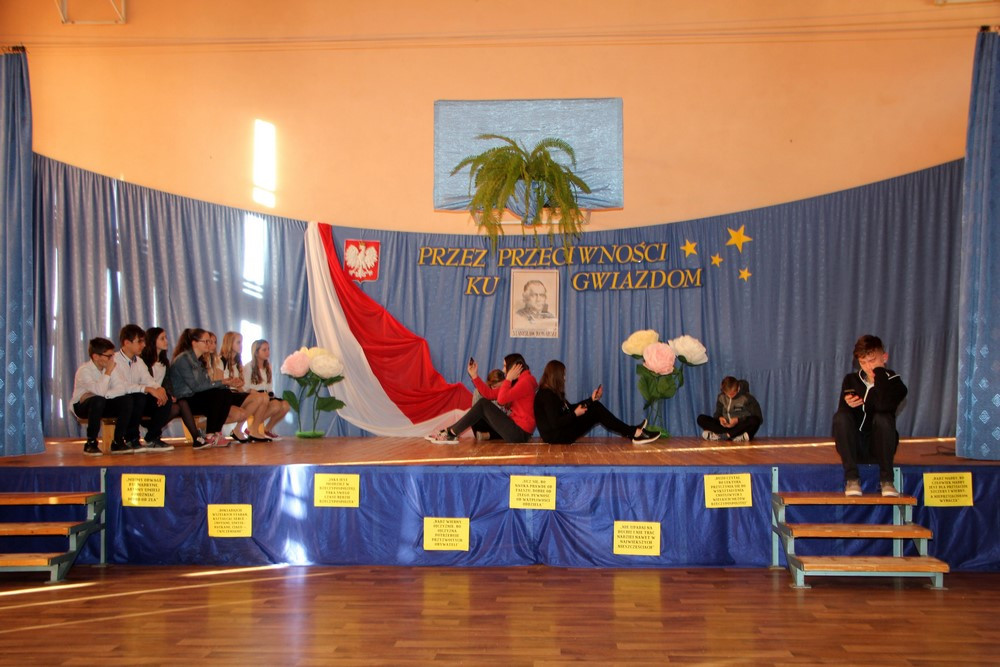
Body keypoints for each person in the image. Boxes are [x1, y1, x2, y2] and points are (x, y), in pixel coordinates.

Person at [833, 335, 908, 497]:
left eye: (872, 361)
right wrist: (849, 405)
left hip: (880, 446)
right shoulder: (851, 380)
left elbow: (883, 406)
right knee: (841, 416)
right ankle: (852, 479)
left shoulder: (896, 384)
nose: (868, 367)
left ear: (884, 358)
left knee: (883, 418)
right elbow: (842, 419)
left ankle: (887, 481)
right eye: (863, 362)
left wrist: (879, 373)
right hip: (855, 446)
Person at [534, 360, 659, 445]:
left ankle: (633, 431)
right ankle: (633, 432)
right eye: (563, 375)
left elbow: (569, 409)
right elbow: (555, 423)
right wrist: (575, 414)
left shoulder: (552, 393)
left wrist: (590, 400)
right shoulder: (546, 395)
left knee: (595, 406)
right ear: (556, 376)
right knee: (596, 410)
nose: (565, 378)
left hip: (560, 432)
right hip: (556, 437)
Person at [428, 354, 537, 444]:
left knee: (483, 404)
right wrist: (474, 376)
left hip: (520, 433)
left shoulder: (526, 381)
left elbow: (501, 400)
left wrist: (508, 379)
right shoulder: (518, 381)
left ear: (514, 367)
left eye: (505, 366)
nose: (503, 370)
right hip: (516, 429)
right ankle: (450, 432)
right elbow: (489, 394)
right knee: (479, 411)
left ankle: (451, 433)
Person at [167, 328, 238, 449]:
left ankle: (215, 432)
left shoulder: (199, 361)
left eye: (209, 341)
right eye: (206, 341)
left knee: (226, 392)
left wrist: (224, 383)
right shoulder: (183, 360)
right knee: (218, 394)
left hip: (194, 396)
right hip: (184, 398)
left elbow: (206, 383)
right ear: (194, 343)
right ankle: (209, 434)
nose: (209, 344)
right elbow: (195, 386)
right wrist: (221, 382)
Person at [107, 324, 173, 453]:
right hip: (117, 401)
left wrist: (159, 389)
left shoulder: (139, 361)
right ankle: (131, 439)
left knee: (165, 399)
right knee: (138, 397)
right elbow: (121, 386)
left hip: (135, 399)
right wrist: (147, 389)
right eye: (140, 342)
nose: (143, 345)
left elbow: (148, 379)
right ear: (127, 343)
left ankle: (152, 437)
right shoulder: (114, 360)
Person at [70, 337, 141, 456]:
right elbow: (99, 391)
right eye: (109, 356)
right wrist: (107, 373)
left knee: (126, 400)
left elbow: (121, 389)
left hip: (101, 401)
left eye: (113, 355)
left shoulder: (111, 367)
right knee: (98, 400)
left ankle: (118, 441)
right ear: (95, 356)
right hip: (81, 406)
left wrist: (103, 394)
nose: (112, 359)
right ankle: (91, 443)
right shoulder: (84, 371)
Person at [218, 331, 270, 442]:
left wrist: (239, 385)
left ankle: (252, 430)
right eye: (238, 342)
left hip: (235, 393)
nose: (241, 345)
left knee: (264, 397)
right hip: (225, 395)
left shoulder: (238, 363)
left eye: (241, 342)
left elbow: (240, 386)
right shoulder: (220, 360)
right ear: (229, 343)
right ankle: (217, 427)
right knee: (259, 398)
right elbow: (218, 382)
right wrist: (231, 383)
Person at [243, 339, 291, 439]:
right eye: (264, 350)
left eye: (268, 349)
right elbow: (245, 387)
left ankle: (267, 429)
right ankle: (252, 428)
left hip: (266, 395)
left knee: (285, 406)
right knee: (276, 406)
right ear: (256, 352)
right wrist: (257, 394)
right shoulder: (248, 367)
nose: (267, 352)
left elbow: (269, 386)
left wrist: (271, 394)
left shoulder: (268, 366)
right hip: (254, 397)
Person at [696, 376, 763, 442]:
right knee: (701, 418)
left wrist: (738, 420)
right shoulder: (721, 397)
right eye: (727, 394)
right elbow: (717, 413)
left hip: (740, 427)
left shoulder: (748, 398)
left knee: (755, 420)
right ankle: (733, 436)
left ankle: (724, 435)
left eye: (732, 394)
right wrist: (720, 418)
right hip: (725, 427)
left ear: (738, 388)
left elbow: (759, 417)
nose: (730, 396)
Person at [471, 369, 506, 441]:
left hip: (500, 425)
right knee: (474, 418)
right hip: (485, 423)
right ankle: (488, 435)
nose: (497, 390)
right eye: (495, 387)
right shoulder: (478, 391)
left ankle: (488, 435)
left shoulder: (507, 392)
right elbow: (474, 413)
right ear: (489, 385)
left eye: (500, 387)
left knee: (510, 428)